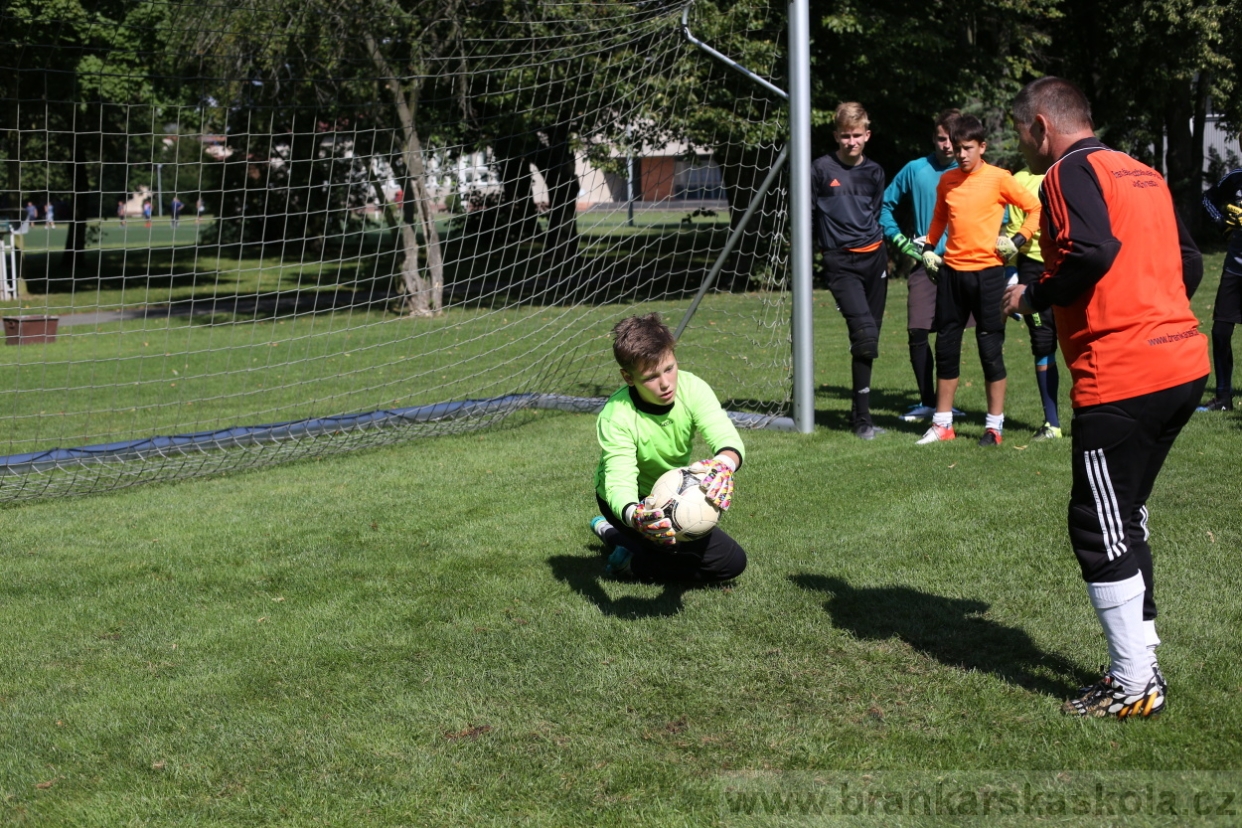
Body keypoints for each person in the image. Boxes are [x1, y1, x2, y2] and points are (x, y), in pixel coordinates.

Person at [1003, 76, 1207, 718]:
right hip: (1182, 362)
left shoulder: (1065, 173)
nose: (1025, 149)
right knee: (1126, 514)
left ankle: (1133, 684)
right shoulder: (1141, 171)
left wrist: (1033, 295)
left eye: (1019, 134)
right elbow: (1190, 262)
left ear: (1041, 126)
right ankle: (1142, 668)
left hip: (1123, 374)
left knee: (1097, 526)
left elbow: (1092, 250)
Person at [588, 313, 747, 583]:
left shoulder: (693, 388)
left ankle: (621, 542)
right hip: (635, 505)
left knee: (731, 563)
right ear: (628, 377)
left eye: (669, 368)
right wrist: (636, 516)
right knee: (667, 552)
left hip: (677, 495)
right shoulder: (616, 415)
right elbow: (618, 480)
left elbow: (725, 437)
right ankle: (623, 548)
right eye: (650, 377)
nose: (665, 383)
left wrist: (723, 465)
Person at [916, 114, 1041, 446]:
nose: (961, 155)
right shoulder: (948, 180)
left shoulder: (1000, 178)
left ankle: (993, 427)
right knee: (946, 346)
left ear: (982, 146)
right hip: (952, 274)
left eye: (968, 148)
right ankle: (942, 424)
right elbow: (940, 217)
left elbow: (1035, 208)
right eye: (957, 149)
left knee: (989, 349)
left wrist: (1017, 240)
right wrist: (929, 247)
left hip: (988, 275)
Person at [881, 109, 966, 423]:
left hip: (962, 264)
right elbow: (884, 207)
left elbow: (999, 215)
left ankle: (945, 405)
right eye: (942, 138)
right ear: (934, 138)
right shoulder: (915, 169)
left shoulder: (973, 172)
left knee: (949, 334)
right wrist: (902, 243)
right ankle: (927, 401)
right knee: (917, 331)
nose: (947, 146)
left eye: (953, 140)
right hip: (923, 263)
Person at [811, 102, 889, 440]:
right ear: (836, 135)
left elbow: (874, 213)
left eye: (857, 135)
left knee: (867, 343)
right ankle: (861, 421)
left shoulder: (874, 172)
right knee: (865, 334)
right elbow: (807, 215)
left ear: (867, 135)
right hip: (840, 262)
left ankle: (862, 417)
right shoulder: (820, 170)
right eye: (845, 136)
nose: (851, 142)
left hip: (875, 259)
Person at [1004, 167, 1063, 439]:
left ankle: (1090, 413)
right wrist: (1011, 273)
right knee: (1042, 340)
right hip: (1031, 269)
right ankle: (1052, 423)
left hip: (1065, 264)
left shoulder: (1066, 173)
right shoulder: (1018, 180)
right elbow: (1014, 230)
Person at [1196, 159, 1242, 411]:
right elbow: (1207, 199)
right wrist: (1221, 223)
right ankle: (1224, 399)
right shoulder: (1236, 177)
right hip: (1234, 268)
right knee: (1220, 332)